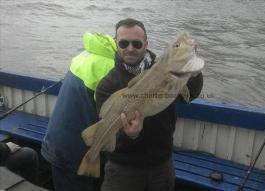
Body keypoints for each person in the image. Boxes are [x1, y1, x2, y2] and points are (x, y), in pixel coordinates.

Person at [96, 18, 203, 191]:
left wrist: (194, 73)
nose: (130, 48)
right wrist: (130, 136)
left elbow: (189, 96)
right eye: (124, 43)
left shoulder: (165, 70)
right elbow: (108, 132)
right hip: (123, 169)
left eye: (137, 44)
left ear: (146, 44)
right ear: (116, 43)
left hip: (162, 165)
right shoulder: (107, 84)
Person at [40, 30, 117, 190]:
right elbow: (112, 117)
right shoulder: (110, 67)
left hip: (56, 140)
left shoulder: (89, 53)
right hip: (74, 153)